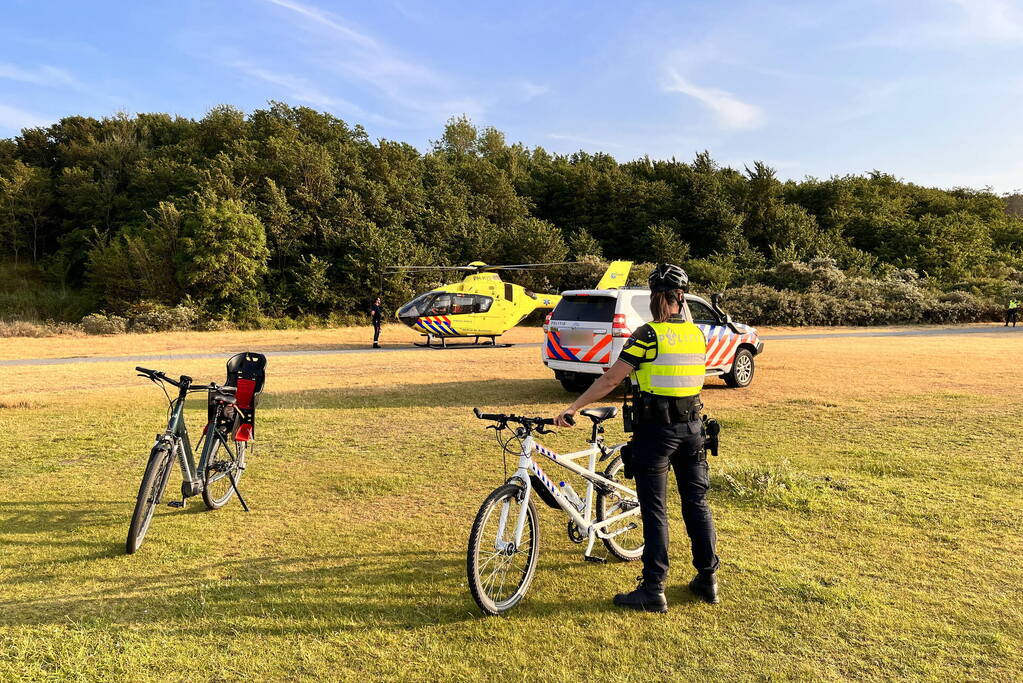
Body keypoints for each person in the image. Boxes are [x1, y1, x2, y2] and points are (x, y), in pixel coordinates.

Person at [554, 263, 719, 612]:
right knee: (697, 506)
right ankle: (708, 579)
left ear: (653, 299)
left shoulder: (647, 335)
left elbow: (610, 380)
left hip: (656, 433)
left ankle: (653, 588)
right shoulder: (697, 334)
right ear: (681, 297)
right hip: (693, 428)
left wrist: (573, 407)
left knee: (655, 510)